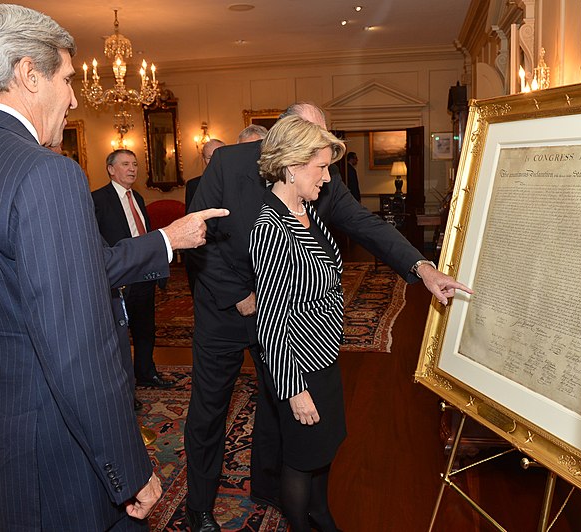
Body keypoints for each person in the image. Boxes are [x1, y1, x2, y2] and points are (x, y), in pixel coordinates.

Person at [0, 5, 226, 530]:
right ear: (29, 75)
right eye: (69, 78)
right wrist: (128, 466)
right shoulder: (47, 175)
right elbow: (78, 346)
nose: (75, 97)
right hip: (66, 465)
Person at [185, 102, 471, 531]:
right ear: (288, 139)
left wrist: (422, 267)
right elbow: (198, 235)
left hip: (282, 309)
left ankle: (269, 487)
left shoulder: (320, 175)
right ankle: (200, 506)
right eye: (315, 146)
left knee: (276, 401)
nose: (324, 162)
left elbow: (360, 222)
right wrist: (240, 294)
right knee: (210, 410)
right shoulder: (229, 163)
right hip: (228, 308)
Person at [250, 115, 347, 531]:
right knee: (300, 460)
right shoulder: (271, 226)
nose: (326, 177)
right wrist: (294, 391)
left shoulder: (304, 210)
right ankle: (302, 524)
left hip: (324, 357)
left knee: (322, 450)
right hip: (299, 368)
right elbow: (270, 318)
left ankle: (320, 514)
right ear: (291, 166)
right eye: (320, 167)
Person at [93, 149, 170, 389]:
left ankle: (147, 372)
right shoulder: (97, 199)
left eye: (135, 164)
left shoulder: (137, 197)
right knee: (119, 335)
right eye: (125, 164)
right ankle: (123, 386)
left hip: (144, 273)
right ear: (110, 169)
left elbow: (142, 233)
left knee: (145, 328)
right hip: (119, 276)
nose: (132, 169)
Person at [185, 139, 225, 293]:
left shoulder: (236, 181)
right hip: (203, 248)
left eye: (219, 155)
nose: (215, 161)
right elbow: (189, 219)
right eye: (210, 157)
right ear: (203, 160)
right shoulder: (193, 185)